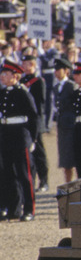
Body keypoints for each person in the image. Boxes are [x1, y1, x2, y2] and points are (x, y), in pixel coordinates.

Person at [0, 61, 38, 221]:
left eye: (6, 74)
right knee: (7, 174)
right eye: (2, 73)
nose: (2, 76)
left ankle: (29, 209)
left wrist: (32, 139)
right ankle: (12, 209)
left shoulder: (22, 93)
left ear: (15, 76)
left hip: (20, 136)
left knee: (24, 174)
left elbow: (34, 116)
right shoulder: (2, 93)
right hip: (5, 135)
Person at [20, 54, 49, 192]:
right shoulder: (21, 80)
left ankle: (44, 180)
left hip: (35, 120)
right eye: (23, 64)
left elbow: (40, 104)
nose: (25, 66)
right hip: (24, 121)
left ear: (33, 65)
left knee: (39, 152)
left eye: (27, 64)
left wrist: (37, 122)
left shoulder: (38, 81)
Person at [52, 57, 77, 183]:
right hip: (62, 126)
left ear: (66, 71)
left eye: (58, 69)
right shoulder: (57, 87)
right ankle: (68, 183)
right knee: (65, 159)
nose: (56, 72)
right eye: (55, 70)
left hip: (72, 126)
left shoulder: (71, 86)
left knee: (74, 157)